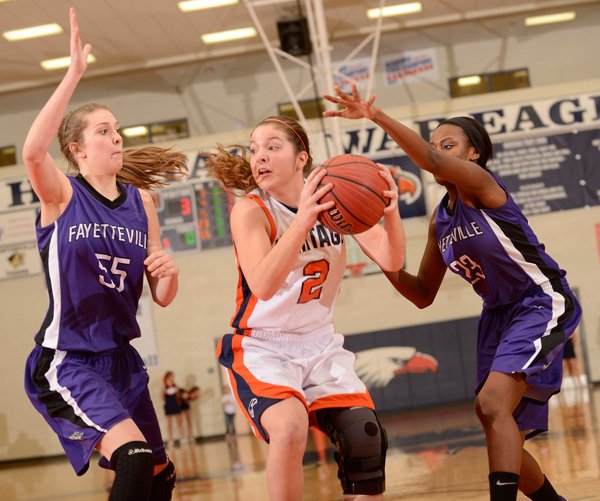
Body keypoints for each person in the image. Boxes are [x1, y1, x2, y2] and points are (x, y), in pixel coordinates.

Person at [322, 83, 582, 501]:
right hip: (497, 316)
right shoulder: (440, 220)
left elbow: (427, 160)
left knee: (494, 403)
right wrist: (382, 258)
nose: (437, 150)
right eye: (435, 143)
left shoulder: (482, 186)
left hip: (539, 299)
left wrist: (375, 116)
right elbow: (423, 293)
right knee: (492, 415)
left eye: (448, 144)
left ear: (472, 153)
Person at [22, 8, 187, 501]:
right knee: (133, 462)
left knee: (160, 474)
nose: (115, 136)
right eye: (102, 131)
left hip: (122, 359)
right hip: (69, 358)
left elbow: (162, 295)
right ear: (76, 150)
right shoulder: (63, 196)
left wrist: (168, 272)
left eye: (117, 128)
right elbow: (32, 152)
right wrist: (73, 75)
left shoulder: (144, 203)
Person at [206, 114, 405, 500]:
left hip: (320, 343)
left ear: (301, 159)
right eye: (254, 149)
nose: (259, 157)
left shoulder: (337, 199)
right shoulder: (250, 210)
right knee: (289, 427)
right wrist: (303, 220)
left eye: (272, 147)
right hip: (264, 346)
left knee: (365, 436)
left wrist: (391, 214)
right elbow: (263, 284)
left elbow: (391, 259)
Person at [162, 371, 186, 447]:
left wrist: (178, 393)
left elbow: (179, 395)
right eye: (171, 376)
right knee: (170, 424)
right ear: (168, 377)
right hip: (169, 405)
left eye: (173, 376)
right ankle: (170, 440)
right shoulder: (164, 386)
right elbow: (162, 397)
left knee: (180, 422)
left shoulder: (176, 386)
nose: (173, 378)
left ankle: (182, 438)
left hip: (176, 405)